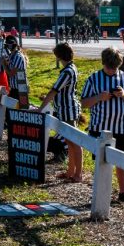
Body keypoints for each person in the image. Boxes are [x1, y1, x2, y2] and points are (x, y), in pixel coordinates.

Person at [81, 46, 124, 203]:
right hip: (100, 127)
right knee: (101, 161)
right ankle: (100, 192)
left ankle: (123, 192)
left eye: (115, 67)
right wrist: (99, 97)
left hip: (122, 128)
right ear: (103, 63)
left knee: (122, 161)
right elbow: (84, 103)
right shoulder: (93, 79)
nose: (112, 70)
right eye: (109, 67)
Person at [36, 43, 83, 182]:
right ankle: (70, 172)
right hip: (65, 110)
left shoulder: (67, 71)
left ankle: (78, 174)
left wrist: (41, 108)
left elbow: (54, 90)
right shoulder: (71, 68)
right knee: (69, 142)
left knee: (74, 143)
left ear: (59, 56)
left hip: (68, 110)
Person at [1, 35, 28, 101]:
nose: (9, 46)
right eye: (8, 44)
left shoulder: (18, 57)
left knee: (18, 109)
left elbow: (11, 74)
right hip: (14, 88)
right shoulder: (12, 55)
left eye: (11, 44)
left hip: (20, 89)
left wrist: (3, 63)